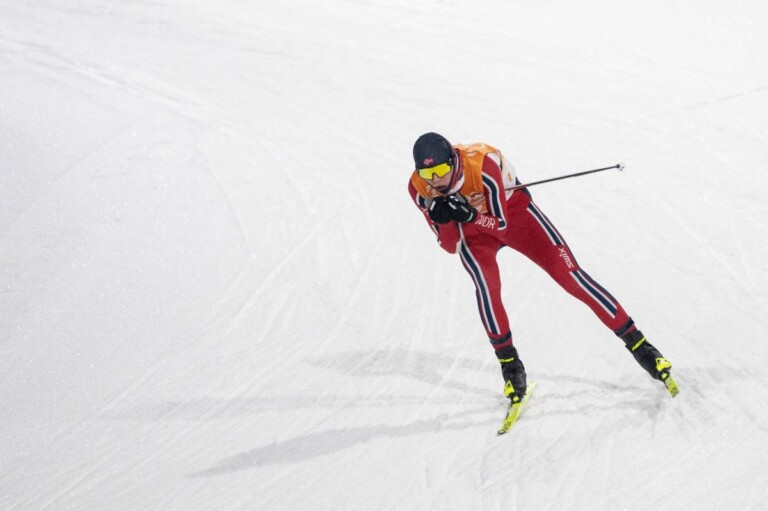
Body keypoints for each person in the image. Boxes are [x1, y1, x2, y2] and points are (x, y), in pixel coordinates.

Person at [407, 132, 676, 403]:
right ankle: (511, 367)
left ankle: (641, 346)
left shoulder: (482, 166)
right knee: (486, 287)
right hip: (472, 231)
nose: (436, 179)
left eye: (441, 170)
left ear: (453, 161)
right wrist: (443, 220)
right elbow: (450, 246)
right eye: (427, 173)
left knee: (570, 276)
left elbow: (501, 226)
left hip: (513, 213)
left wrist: (469, 214)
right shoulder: (419, 188)